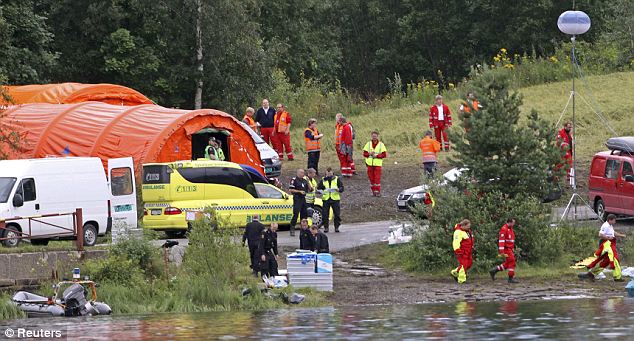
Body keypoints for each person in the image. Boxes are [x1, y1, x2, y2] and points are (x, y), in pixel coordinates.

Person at [579, 214, 627, 282]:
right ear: (610, 220)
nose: (615, 222)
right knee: (614, 258)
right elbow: (600, 234)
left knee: (606, 262)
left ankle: (591, 273)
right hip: (607, 244)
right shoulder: (605, 225)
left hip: (609, 243)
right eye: (614, 220)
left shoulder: (610, 225)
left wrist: (621, 235)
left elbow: (613, 233)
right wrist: (608, 238)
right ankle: (617, 277)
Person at [489, 218, 519, 283]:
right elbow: (501, 240)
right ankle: (510, 278)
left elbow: (511, 240)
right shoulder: (504, 229)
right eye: (513, 223)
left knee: (508, 264)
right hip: (506, 249)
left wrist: (513, 248)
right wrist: (501, 251)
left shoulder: (510, 229)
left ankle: (494, 270)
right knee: (512, 261)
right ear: (510, 222)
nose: (514, 224)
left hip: (509, 249)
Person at [317, 167, 343, 233]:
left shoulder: (337, 179)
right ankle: (326, 227)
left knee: (337, 214)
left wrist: (338, 189)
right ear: (326, 173)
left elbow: (342, 188)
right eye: (327, 173)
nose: (329, 174)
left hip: (335, 199)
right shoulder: (323, 180)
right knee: (325, 214)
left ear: (332, 173)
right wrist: (320, 191)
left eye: (330, 173)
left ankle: (336, 227)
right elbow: (319, 188)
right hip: (326, 199)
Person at [362, 131, 387, 197]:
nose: (374, 137)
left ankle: (377, 192)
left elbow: (384, 155)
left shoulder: (381, 144)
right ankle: (373, 192)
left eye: (375, 136)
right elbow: (364, 154)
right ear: (371, 136)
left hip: (378, 164)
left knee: (377, 178)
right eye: (373, 136)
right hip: (369, 164)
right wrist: (369, 154)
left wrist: (377, 156)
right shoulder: (368, 144)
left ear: (377, 136)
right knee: (371, 178)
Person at [288, 168, 311, 236]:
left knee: (304, 214)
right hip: (297, 198)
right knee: (296, 214)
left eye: (303, 173)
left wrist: (308, 181)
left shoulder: (304, 180)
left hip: (303, 199)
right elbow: (291, 189)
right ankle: (292, 228)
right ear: (298, 173)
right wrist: (299, 191)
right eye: (301, 173)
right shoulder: (294, 180)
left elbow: (310, 189)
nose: (302, 174)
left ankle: (303, 229)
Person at [451, 219, 473, 284]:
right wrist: (458, 251)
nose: (469, 227)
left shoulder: (467, 231)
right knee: (464, 265)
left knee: (469, 264)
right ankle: (461, 280)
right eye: (468, 226)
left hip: (468, 252)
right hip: (462, 252)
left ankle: (455, 272)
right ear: (464, 225)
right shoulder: (458, 232)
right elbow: (456, 242)